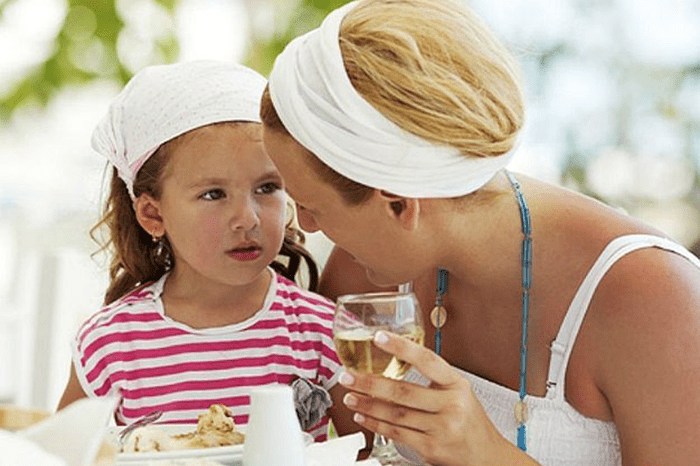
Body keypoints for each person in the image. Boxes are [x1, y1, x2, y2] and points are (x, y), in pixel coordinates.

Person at [259, 0, 700, 465]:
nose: (304, 225)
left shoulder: (653, 297)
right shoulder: (369, 281)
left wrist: (489, 455)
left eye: (311, 206)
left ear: (398, 203)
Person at [57, 60, 361, 442]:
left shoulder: (321, 332)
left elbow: (368, 455)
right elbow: (56, 457)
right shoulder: (110, 344)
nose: (247, 218)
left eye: (267, 187)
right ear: (153, 213)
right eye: (213, 194)